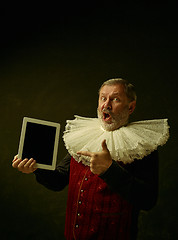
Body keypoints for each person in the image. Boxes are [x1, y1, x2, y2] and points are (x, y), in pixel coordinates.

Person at [12, 78, 169, 240]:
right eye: (103, 98)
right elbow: (58, 181)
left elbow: (148, 200)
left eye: (115, 99)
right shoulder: (85, 137)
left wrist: (110, 169)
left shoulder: (141, 146)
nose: (106, 105)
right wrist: (36, 168)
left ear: (131, 107)